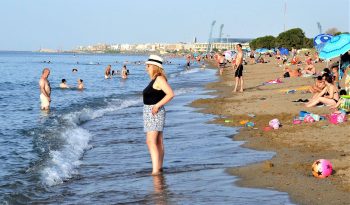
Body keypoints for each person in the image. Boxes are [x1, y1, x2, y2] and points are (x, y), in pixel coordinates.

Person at [143, 55, 174, 175]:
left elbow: (170, 94)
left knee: (151, 141)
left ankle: (155, 170)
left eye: (148, 65)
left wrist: (156, 106)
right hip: (152, 112)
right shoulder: (156, 79)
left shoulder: (159, 79)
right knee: (158, 141)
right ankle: (158, 168)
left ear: (155, 66)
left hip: (154, 111)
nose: (147, 68)